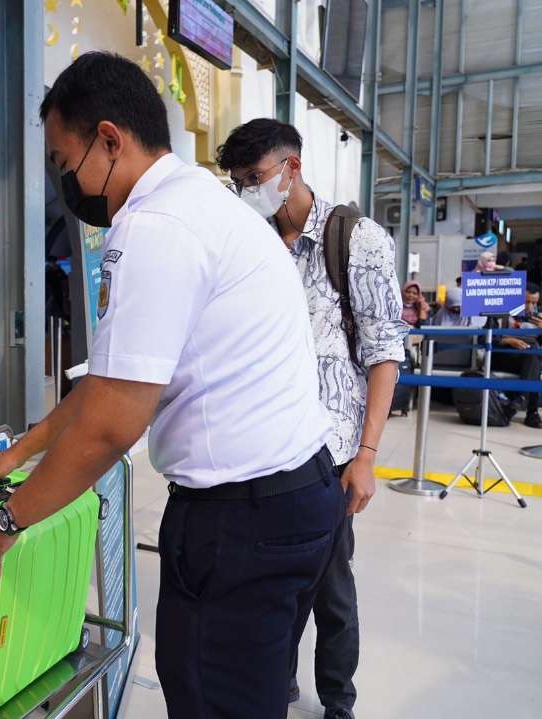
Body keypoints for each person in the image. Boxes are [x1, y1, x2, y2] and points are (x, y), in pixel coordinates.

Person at [0, 52, 340, 718]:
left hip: (241, 521)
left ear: (109, 140)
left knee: (210, 694)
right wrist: (23, 450)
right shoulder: (208, 203)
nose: (63, 179)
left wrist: (4, 524)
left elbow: (109, 424)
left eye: (61, 159)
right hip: (298, 497)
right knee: (250, 690)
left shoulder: (154, 226)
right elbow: (108, 384)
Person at [217, 118, 408, 719]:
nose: (249, 190)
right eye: (239, 182)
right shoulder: (251, 240)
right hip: (263, 450)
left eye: (255, 177)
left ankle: (338, 701)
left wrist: (368, 458)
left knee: (331, 589)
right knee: (269, 583)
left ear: (291, 168)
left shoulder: (357, 240)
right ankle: (278, 683)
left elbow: (384, 354)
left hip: (330, 456)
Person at [494, 282, 542, 428]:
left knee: (534, 354)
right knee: (535, 356)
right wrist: (508, 340)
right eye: (526, 301)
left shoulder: (538, 318)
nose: (529, 306)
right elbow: (486, 338)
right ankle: (531, 412)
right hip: (504, 355)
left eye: (533, 303)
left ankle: (519, 399)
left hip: (527, 360)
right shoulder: (502, 313)